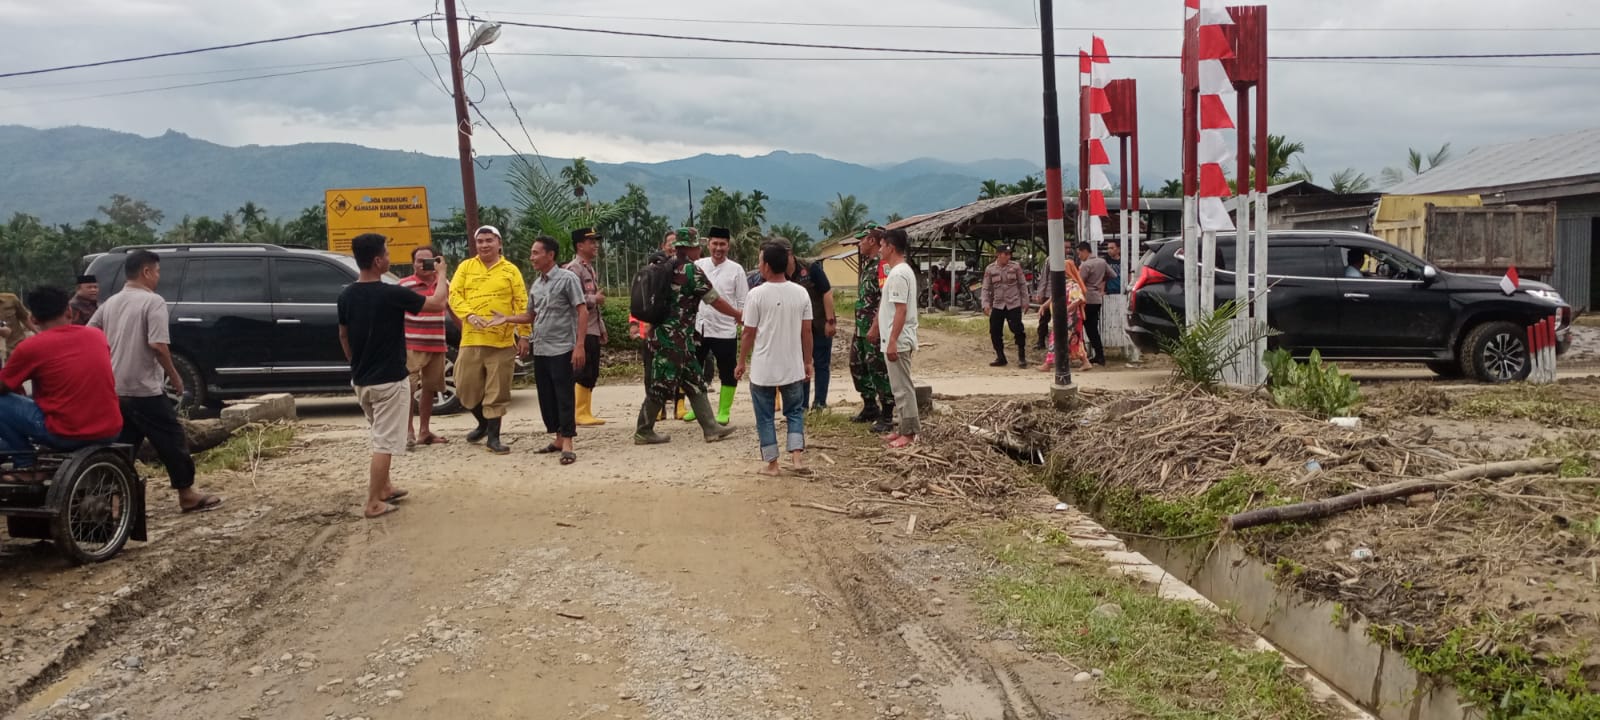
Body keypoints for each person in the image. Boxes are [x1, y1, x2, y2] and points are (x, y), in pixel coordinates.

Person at [90, 251, 225, 513]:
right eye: (158, 272)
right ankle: (186, 493)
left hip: (117, 386)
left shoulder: (110, 303)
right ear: (146, 272)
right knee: (172, 439)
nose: (158, 277)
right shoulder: (153, 302)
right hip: (144, 388)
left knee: (124, 443)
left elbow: (90, 333)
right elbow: (158, 346)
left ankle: (111, 499)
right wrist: (175, 377)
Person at [338, 233, 451, 519]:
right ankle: (373, 502)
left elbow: (343, 335)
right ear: (378, 261)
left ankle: (385, 487)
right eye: (387, 254)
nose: (390, 258)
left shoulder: (346, 295)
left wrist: (355, 363)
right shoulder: (392, 293)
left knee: (379, 433)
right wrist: (442, 273)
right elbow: (437, 304)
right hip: (388, 380)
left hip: (361, 380)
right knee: (385, 443)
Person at [0, 287, 122, 481]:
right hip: (110, 430)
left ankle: (25, 466)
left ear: (33, 319)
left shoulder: (31, 347)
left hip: (66, 434)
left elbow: (3, 386)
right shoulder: (97, 335)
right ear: (69, 311)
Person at [634, 233, 742, 445]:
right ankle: (643, 430)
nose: (699, 250)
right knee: (661, 384)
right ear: (691, 248)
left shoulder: (667, 266)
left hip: (675, 338)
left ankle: (711, 428)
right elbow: (714, 300)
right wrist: (737, 315)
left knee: (695, 381)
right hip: (673, 340)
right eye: (697, 246)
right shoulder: (691, 270)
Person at [488, 236, 587, 465]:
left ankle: (568, 443)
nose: (531, 257)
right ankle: (558, 439)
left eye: (535, 253)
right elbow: (530, 315)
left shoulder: (568, 279)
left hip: (562, 348)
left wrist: (579, 345)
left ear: (550, 255)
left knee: (564, 395)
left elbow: (582, 311)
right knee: (546, 396)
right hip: (541, 348)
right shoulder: (537, 284)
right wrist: (507, 319)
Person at [448, 225, 530, 454]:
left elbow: (521, 303)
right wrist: (469, 315)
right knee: (464, 387)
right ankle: (483, 423)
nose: (484, 245)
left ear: (499, 243)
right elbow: (454, 294)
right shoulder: (465, 267)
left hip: (502, 342)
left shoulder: (510, 270)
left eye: (489, 240)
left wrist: (524, 335)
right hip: (471, 340)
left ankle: (493, 438)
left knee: (497, 391)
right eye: (480, 241)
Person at [735, 242, 813, 477]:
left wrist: (741, 361)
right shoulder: (801, 293)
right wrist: (807, 361)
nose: (759, 265)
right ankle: (797, 459)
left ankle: (773, 464)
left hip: (764, 368)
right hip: (792, 366)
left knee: (765, 417)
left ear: (767, 266)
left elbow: (748, 333)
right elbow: (807, 331)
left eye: (760, 261)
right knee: (795, 412)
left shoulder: (756, 294)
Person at [688, 227, 748, 425]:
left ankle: (724, 411)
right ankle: (698, 408)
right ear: (708, 244)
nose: (718, 248)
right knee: (694, 369)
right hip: (700, 327)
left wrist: (741, 320)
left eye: (723, 244)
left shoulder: (736, 270)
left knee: (727, 371)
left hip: (725, 329)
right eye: (715, 243)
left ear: (728, 246)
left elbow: (743, 300)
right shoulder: (698, 265)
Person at [399, 246, 451, 448]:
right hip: (411, 344)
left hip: (436, 343)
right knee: (408, 388)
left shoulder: (444, 283)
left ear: (436, 261)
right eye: (419, 260)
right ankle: (408, 431)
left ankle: (424, 431)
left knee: (430, 388)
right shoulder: (404, 285)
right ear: (412, 263)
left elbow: (453, 308)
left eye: (427, 261)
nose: (423, 265)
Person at [848, 227, 894, 431]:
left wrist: (876, 326)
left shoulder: (883, 266)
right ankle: (869, 406)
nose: (859, 244)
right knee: (857, 365)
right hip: (861, 327)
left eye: (862, 240)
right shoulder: (868, 265)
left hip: (875, 328)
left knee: (878, 369)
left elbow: (885, 297)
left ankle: (887, 414)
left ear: (872, 240)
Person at [878, 229, 920, 449]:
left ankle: (910, 432)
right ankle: (903, 427)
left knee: (903, 387)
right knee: (898, 387)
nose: (880, 249)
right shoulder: (899, 271)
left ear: (891, 247)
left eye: (882, 245)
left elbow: (900, 310)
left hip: (899, 339)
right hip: (894, 338)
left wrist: (893, 339)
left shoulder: (898, 275)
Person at [565, 227, 608, 426]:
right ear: (580, 245)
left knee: (591, 371)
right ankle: (579, 412)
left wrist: (601, 328)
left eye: (595, 241)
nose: (595, 245)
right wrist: (594, 299)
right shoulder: (574, 269)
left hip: (592, 327)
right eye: (591, 242)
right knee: (582, 370)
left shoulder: (588, 268)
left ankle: (586, 411)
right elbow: (571, 299)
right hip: (580, 329)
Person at [981, 245, 1030, 368]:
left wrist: (1025, 301)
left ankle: (1022, 357)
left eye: (1009, 254)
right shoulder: (990, 269)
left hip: (1013, 303)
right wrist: (985, 304)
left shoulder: (1015, 266)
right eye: (1006, 254)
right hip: (998, 304)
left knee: (1017, 329)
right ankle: (1001, 357)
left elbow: (1022, 284)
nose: (1008, 256)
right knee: (995, 331)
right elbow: (986, 288)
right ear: (998, 255)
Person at [1076, 242, 1109, 366]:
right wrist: (1100, 285)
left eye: (1079, 253)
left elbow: (1079, 282)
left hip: (1086, 299)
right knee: (1093, 328)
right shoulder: (1102, 262)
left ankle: (1086, 355)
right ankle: (1099, 355)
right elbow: (1112, 274)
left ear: (1085, 251)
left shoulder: (1085, 265)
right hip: (1097, 298)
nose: (1079, 256)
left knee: (1083, 328)